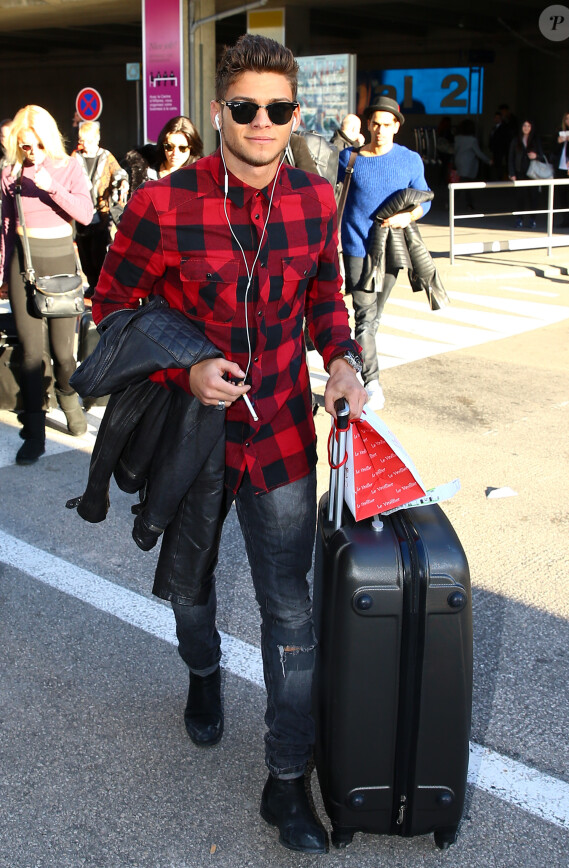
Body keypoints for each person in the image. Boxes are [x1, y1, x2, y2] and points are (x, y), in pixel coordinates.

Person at [91, 34, 366, 854]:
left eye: (277, 109)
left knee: (291, 614)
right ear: (219, 112)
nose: (261, 123)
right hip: (192, 440)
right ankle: (204, 675)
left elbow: (326, 297)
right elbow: (113, 312)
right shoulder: (160, 205)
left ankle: (286, 784)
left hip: (281, 435)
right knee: (191, 590)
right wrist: (187, 370)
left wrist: (344, 359)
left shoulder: (318, 199)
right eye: (244, 107)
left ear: (294, 116)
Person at [0, 105, 93, 464]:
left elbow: (85, 215)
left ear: (48, 138)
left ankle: (69, 398)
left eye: (37, 145)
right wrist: (3, 274)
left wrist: (50, 186)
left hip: (60, 265)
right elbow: (6, 226)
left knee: (64, 355)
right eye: (25, 146)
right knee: (30, 355)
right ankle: (34, 431)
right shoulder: (10, 173)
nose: (32, 152)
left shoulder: (68, 166)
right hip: (24, 264)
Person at [336, 94, 431, 411]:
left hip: (392, 248)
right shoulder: (349, 158)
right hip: (356, 246)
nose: (379, 129)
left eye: (386, 124)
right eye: (375, 123)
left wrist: (409, 216)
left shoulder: (409, 160)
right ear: (368, 124)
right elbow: (327, 186)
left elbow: (425, 200)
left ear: (396, 127)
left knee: (374, 318)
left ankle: (356, 366)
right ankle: (372, 382)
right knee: (364, 317)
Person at [72, 121, 128, 297]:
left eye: (88, 141)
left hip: (101, 211)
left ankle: (100, 285)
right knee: (84, 251)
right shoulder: (75, 156)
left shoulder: (106, 156)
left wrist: (123, 183)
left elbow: (118, 173)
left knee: (99, 250)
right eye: (82, 141)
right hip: (81, 211)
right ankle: (91, 282)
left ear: (97, 139)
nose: (84, 145)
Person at [508, 118, 545, 228]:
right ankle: (519, 218)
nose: (526, 128)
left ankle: (532, 219)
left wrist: (536, 156)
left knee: (534, 197)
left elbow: (542, 156)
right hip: (520, 172)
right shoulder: (516, 140)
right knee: (520, 197)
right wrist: (512, 172)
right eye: (524, 125)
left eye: (528, 126)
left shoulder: (535, 140)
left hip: (533, 173)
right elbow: (511, 157)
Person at [453, 118, 492, 210]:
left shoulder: (457, 138)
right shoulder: (472, 140)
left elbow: (455, 150)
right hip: (468, 165)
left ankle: (455, 202)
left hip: (459, 162)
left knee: (461, 183)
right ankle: (467, 204)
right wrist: (488, 160)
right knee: (465, 185)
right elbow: (478, 153)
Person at [553, 111, 569, 227]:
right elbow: (553, 150)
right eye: (567, 118)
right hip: (561, 166)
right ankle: (565, 219)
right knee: (561, 194)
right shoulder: (559, 131)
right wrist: (558, 142)